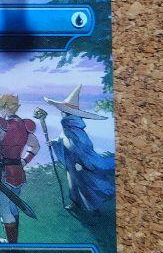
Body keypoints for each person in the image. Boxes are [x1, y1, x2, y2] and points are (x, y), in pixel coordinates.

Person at [0, 94, 39, 253]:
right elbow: (35, 147)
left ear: (4, 106)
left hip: (2, 173)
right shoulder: (25, 125)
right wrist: (24, 161)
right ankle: (12, 243)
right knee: (13, 207)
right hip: (18, 172)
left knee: (5, 211)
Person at [41, 85, 115, 214]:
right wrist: (54, 142)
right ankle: (76, 204)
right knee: (73, 185)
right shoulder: (67, 129)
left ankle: (93, 208)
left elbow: (83, 148)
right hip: (71, 163)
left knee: (86, 185)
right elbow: (63, 139)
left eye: (63, 111)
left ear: (69, 115)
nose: (61, 113)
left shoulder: (76, 131)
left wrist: (81, 162)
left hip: (79, 164)